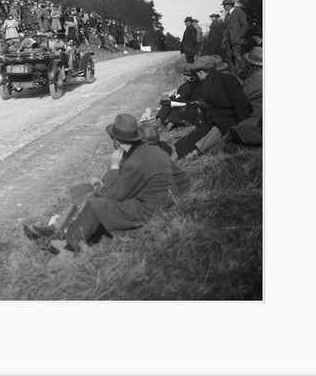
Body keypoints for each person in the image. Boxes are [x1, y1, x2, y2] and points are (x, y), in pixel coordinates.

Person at [23, 114, 190, 254]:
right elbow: (182, 178)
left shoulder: (136, 161)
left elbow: (116, 194)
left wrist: (114, 167)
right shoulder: (150, 150)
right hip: (158, 202)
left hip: (150, 211)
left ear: (117, 141)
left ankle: (66, 248)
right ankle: (58, 230)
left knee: (96, 203)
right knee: (91, 191)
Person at [170, 55, 252, 160]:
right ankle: (175, 151)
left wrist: (242, 130)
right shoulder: (214, 81)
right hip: (212, 122)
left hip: (226, 124)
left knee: (199, 144)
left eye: (197, 74)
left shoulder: (226, 80)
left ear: (201, 73)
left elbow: (241, 107)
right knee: (186, 142)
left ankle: (180, 154)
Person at [221, 0, 249, 75]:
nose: (223, 7)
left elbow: (245, 26)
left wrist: (239, 36)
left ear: (229, 6)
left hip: (236, 40)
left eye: (224, 6)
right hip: (228, 40)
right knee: (229, 58)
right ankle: (234, 75)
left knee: (237, 55)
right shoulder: (227, 15)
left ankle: (246, 72)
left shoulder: (239, 12)